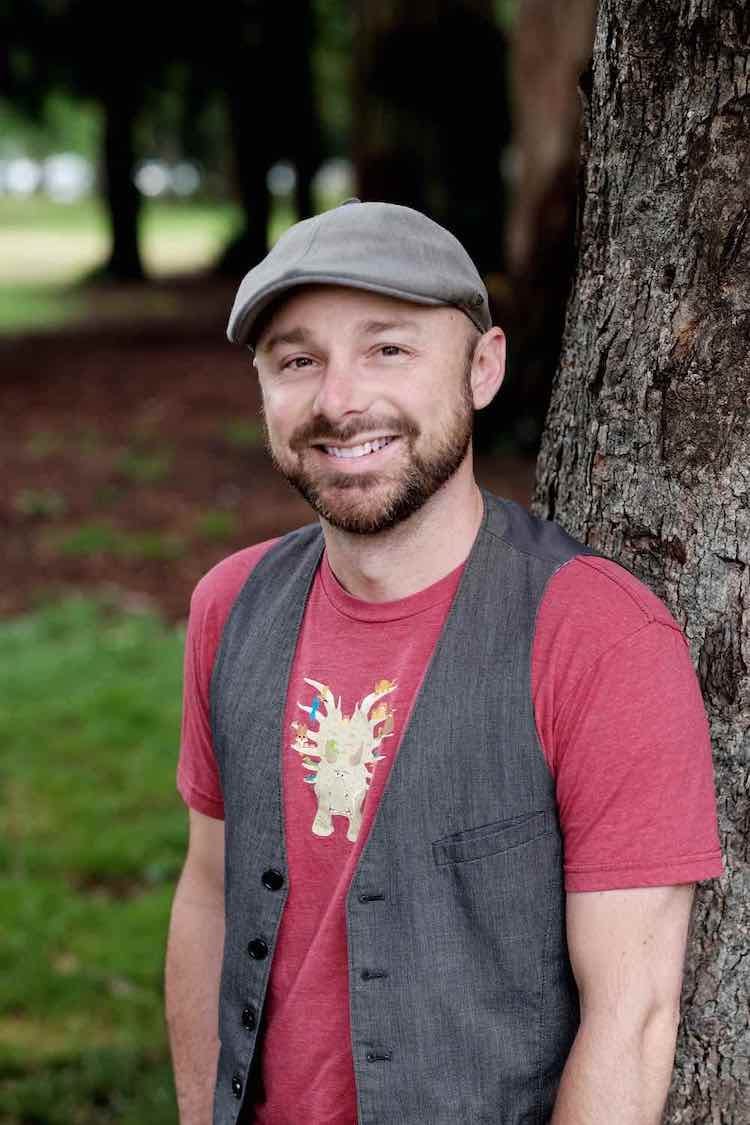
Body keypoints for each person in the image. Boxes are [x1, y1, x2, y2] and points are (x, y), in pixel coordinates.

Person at [164, 199, 724, 1125]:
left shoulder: (598, 636)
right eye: (298, 360)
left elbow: (633, 1014)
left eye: (389, 349)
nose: (341, 400)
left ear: (483, 367)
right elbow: (210, 895)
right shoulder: (230, 605)